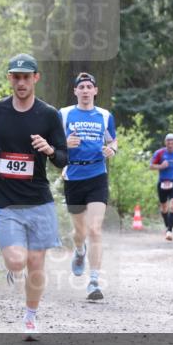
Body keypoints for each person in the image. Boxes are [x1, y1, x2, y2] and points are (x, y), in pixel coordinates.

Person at [0, 53, 68, 339]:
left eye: (27, 77)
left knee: (36, 264)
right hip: (4, 199)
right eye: (16, 76)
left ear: (36, 78)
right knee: (16, 261)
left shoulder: (48, 115)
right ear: (10, 79)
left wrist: (49, 149)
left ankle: (30, 316)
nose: (21, 82)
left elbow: (63, 158)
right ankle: (13, 267)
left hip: (38, 200)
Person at [59, 72, 117, 301]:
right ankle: (79, 251)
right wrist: (64, 143)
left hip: (97, 175)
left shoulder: (104, 115)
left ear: (95, 91)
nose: (85, 90)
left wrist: (112, 149)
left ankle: (94, 281)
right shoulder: (63, 114)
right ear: (75, 92)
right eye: (80, 87)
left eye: (88, 87)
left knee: (95, 229)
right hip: (73, 175)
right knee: (79, 232)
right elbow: (51, 142)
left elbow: (112, 139)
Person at [150, 133, 173, 241]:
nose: (170, 144)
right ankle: (167, 227)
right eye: (168, 142)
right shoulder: (159, 153)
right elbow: (151, 166)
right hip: (162, 182)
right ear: (165, 143)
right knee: (164, 207)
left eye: (172, 142)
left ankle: (169, 231)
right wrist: (161, 166)